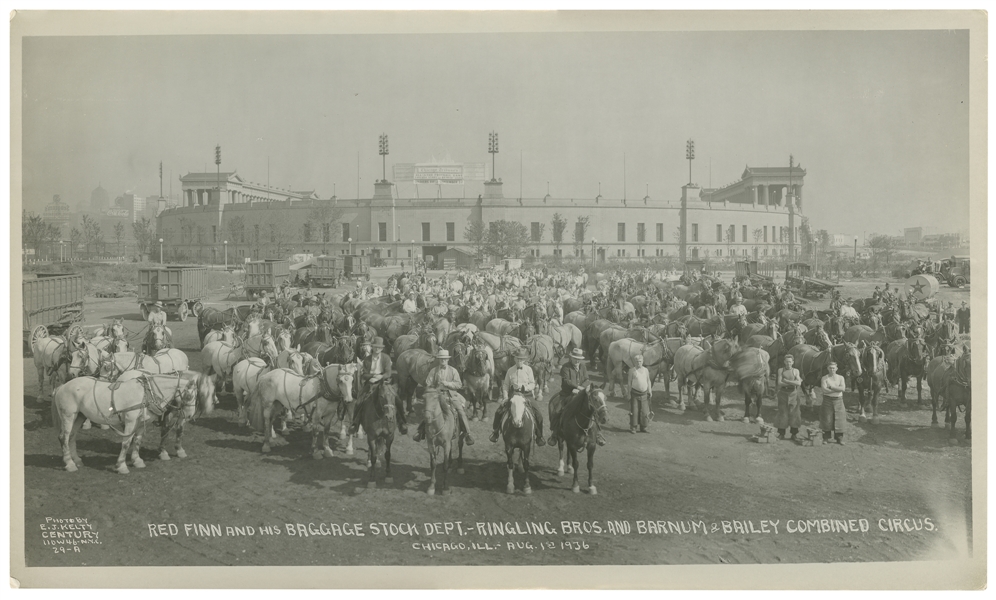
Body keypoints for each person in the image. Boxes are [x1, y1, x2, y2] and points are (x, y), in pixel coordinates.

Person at [412, 349, 475, 445]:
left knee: (460, 411)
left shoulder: (453, 371)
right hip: (436, 396)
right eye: (441, 359)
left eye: (445, 359)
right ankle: (420, 432)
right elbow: (428, 383)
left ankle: (467, 433)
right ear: (439, 360)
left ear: (448, 360)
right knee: (428, 410)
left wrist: (448, 384)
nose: (443, 361)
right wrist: (435, 388)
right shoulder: (433, 371)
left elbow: (459, 384)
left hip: (450, 395)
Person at [489, 348, 546, 446]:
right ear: (514, 359)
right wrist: (505, 397)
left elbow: (533, 383)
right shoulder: (510, 371)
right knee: (499, 412)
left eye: (521, 359)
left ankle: (539, 436)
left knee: (539, 414)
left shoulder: (528, 370)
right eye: (518, 359)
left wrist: (525, 387)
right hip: (513, 396)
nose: (519, 361)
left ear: (524, 360)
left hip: (527, 395)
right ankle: (496, 432)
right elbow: (506, 385)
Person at [548, 348, 604, 446]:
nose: (577, 360)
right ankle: (555, 433)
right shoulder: (565, 367)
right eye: (575, 358)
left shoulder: (583, 366)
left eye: (579, 358)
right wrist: (577, 387)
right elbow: (566, 381)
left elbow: (587, 379)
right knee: (557, 411)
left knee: (592, 408)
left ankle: (598, 433)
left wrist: (582, 388)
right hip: (568, 393)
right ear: (571, 357)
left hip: (581, 392)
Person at [349, 337, 404, 435]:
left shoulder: (386, 358)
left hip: (384, 382)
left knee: (397, 399)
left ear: (382, 349)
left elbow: (388, 373)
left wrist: (380, 377)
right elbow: (364, 374)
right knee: (359, 401)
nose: (377, 349)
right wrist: (373, 377)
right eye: (375, 347)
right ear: (372, 348)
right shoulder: (367, 359)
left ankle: (402, 422)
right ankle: (355, 424)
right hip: (370, 383)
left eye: (379, 347)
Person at [775, 354, 803, 441]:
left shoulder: (796, 371)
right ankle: (781, 433)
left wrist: (787, 381)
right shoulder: (781, 370)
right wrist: (793, 382)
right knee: (782, 412)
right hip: (783, 393)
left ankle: (794, 434)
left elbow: (799, 383)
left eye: (790, 362)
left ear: (793, 362)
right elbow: (779, 383)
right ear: (784, 362)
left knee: (794, 413)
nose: (788, 363)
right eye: (787, 362)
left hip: (793, 393)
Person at [820, 362, 847, 445]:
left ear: (836, 369)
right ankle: (826, 438)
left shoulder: (841, 378)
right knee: (827, 418)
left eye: (833, 368)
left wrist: (831, 387)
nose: (832, 370)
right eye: (830, 368)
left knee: (839, 419)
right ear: (828, 368)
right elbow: (824, 390)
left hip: (838, 400)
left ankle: (839, 438)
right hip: (827, 400)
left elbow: (843, 388)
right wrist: (837, 389)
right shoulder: (824, 378)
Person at [628, 354, 653, 434]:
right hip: (634, 394)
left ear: (642, 361)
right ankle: (633, 427)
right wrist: (629, 394)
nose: (638, 363)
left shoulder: (646, 370)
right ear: (634, 362)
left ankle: (644, 427)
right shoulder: (632, 370)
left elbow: (648, 380)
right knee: (634, 411)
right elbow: (629, 383)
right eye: (637, 361)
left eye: (640, 361)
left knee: (644, 411)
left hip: (644, 394)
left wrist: (650, 390)